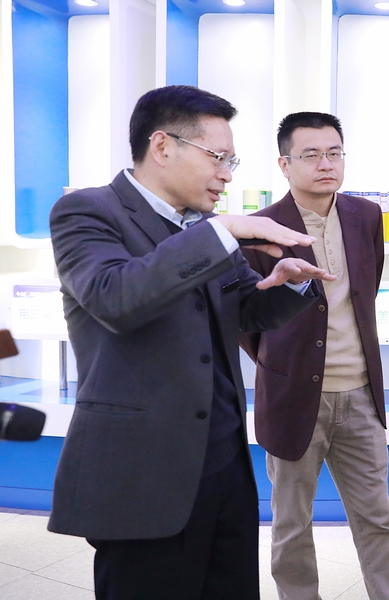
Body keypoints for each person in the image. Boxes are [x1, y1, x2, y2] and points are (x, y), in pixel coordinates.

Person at [47, 85, 336, 599]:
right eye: (218, 158)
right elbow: (115, 298)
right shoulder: (89, 212)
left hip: (223, 465)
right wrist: (222, 231)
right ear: (163, 146)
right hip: (143, 471)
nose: (227, 174)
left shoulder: (201, 227)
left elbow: (247, 308)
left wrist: (289, 283)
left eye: (231, 161)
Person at [240, 112, 389, 600]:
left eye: (334, 153)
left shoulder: (366, 216)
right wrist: (280, 363)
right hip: (293, 396)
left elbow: (365, 291)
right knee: (291, 524)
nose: (326, 164)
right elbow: (247, 318)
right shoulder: (260, 228)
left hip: (360, 396)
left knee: (378, 519)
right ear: (285, 164)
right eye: (311, 154)